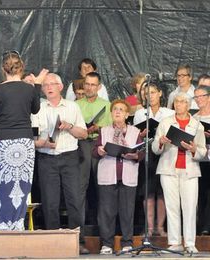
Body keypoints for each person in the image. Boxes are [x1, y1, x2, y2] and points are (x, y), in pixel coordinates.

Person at [0, 50, 47, 231]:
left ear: (3, 69)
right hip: (24, 142)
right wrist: (37, 85)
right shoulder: (29, 89)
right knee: (21, 185)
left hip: (3, 142)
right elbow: (36, 109)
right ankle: (16, 223)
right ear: (21, 67)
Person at [35, 73, 88, 253]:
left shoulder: (72, 107)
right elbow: (31, 136)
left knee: (74, 199)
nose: (49, 87)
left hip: (69, 157)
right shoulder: (38, 108)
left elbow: (84, 134)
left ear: (60, 87)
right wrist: (42, 142)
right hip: (46, 157)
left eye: (52, 84)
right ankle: (53, 242)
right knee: (50, 201)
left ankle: (77, 242)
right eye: (45, 85)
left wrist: (69, 127)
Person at [152, 92, 206, 254]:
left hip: (189, 170)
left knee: (189, 207)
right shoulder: (166, 122)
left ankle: (190, 243)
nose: (178, 104)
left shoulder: (197, 125)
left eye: (182, 102)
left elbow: (203, 151)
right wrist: (160, 142)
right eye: (176, 102)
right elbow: (155, 149)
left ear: (188, 105)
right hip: (168, 169)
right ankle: (174, 242)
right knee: (172, 206)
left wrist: (194, 149)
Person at [93, 99, 143, 255]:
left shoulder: (135, 132)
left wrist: (134, 154)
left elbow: (141, 153)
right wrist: (99, 151)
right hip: (108, 175)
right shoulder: (104, 131)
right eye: (115, 109)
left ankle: (127, 242)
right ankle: (107, 243)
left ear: (127, 114)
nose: (118, 112)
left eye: (121, 109)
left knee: (127, 211)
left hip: (127, 175)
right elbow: (94, 151)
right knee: (107, 211)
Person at [133, 84, 174, 237]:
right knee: (148, 192)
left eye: (153, 92)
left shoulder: (169, 112)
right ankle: (149, 228)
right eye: (146, 93)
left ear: (160, 93)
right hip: (147, 152)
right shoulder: (140, 113)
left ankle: (161, 227)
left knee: (162, 192)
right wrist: (142, 134)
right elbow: (136, 135)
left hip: (165, 152)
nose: (150, 96)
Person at [76, 72, 112, 233]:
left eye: (93, 85)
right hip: (81, 145)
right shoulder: (75, 104)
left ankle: (104, 230)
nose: (89, 87)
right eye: (87, 84)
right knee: (80, 187)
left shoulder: (106, 105)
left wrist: (99, 128)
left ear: (99, 87)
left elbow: (113, 129)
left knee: (102, 188)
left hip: (100, 145)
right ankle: (80, 230)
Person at [191, 86, 210, 235]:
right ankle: (201, 227)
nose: (198, 100)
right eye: (196, 97)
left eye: (201, 96)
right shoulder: (194, 118)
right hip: (199, 159)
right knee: (200, 193)